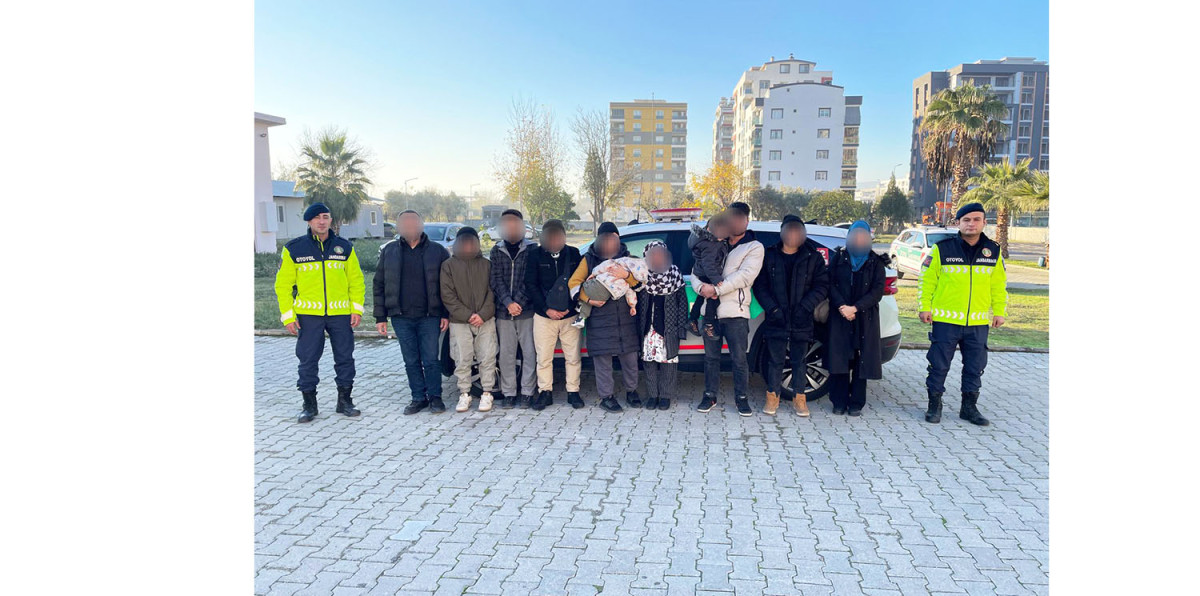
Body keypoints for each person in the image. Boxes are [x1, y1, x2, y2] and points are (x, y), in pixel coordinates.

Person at [274, 203, 365, 423]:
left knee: (345, 357)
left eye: (325, 217)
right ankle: (309, 405)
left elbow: (356, 280)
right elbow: (282, 285)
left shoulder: (345, 247)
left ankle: (345, 401)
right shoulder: (294, 249)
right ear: (309, 222)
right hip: (308, 316)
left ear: (330, 220)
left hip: (340, 314)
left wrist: (356, 309)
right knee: (307, 360)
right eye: (317, 218)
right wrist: (288, 316)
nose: (322, 221)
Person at [919, 202, 1008, 426]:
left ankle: (968, 408)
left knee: (975, 367)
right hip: (945, 320)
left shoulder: (993, 251)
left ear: (984, 223)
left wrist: (999, 311)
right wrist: (924, 306)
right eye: (966, 220)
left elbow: (999, 285)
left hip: (977, 322)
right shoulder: (942, 248)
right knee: (938, 366)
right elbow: (927, 280)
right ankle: (934, 405)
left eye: (976, 219)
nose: (971, 224)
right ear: (958, 223)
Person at [374, 210, 450, 415]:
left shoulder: (438, 251)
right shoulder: (389, 251)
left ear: (421, 225)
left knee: (431, 359)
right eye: (404, 223)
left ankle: (435, 398)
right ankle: (418, 398)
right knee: (411, 360)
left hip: (430, 316)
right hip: (401, 317)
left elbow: (447, 285)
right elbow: (379, 284)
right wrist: (380, 316)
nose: (409, 226)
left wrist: (445, 313)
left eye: (413, 222)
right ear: (398, 227)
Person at [753, 214, 829, 416]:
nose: (794, 235)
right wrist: (772, 309)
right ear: (783, 232)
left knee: (799, 360)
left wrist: (806, 306)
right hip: (776, 317)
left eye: (798, 231)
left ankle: (800, 399)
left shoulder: (813, 257)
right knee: (775, 360)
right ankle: (772, 397)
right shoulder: (770, 255)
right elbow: (760, 286)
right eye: (790, 230)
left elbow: (822, 286)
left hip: (802, 317)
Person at [692, 201, 764, 416]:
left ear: (746, 221)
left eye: (739, 218)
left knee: (739, 359)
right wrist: (701, 288)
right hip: (710, 313)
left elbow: (745, 276)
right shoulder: (713, 241)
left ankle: (742, 399)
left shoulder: (753, 247)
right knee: (711, 358)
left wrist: (716, 289)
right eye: (731, 217)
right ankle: (709, 396)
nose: (734, 222)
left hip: (735, 314)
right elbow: (696, 270)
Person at [568, 222, 643, 412]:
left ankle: (632, 392)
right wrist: (588, 299)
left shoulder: (628, 258)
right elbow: (574, 283)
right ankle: (606, 397)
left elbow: (640, 285)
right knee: (603, 361)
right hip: (600, 319)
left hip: (626, 319)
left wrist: (626, 275)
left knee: (630, 359)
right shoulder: (589, 260)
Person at [826, 220, 886, 416]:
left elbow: (877, 291)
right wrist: (842, 307)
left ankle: (856, 403)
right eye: (855, 235)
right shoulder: (839, 257)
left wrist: (856, 308)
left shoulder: (876, 262)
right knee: (839, 360)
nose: (859, 239)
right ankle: (838, 402)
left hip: (864, 318)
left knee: (862, 362)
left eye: (863, 236)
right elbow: (829, 284)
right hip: (840, 316)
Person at [524, 220, 584, 410]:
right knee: (544, 357)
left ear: (564, 236)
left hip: (570, 315)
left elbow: (579, 282)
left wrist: (570, 306)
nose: (554, 239)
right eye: (550, 236)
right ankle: (545, 392)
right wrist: (546, 309)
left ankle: (573, 392)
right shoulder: (534, 255)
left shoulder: (573, 254)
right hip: (543, 316)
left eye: (558, 236)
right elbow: (530, 285)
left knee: (573, 356)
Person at [440, 227, 498, 413]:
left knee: (487, 357)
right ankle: (464, 394)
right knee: (462, 358)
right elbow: (447, 295)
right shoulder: (448, 266)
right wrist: (467, 315)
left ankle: (487, 393)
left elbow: (493, 291)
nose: (468, 245)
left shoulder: (486, 264)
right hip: (459, 321)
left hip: (485, 319)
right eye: (464, 242)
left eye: (471, 242)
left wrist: (482, 314)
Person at [489, 209, 538, 409]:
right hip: (503, 311)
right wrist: (508, 302)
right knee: (506, 355)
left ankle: (527, 392)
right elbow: (496, 279)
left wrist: (518, 302)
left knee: (529, 353)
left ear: (521, 226)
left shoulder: (532, 249)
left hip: (527, 310)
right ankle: (509, 392)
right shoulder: (496, 250)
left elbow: (531, 280)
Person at [637, 241, 689, 411]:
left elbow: (683, 303)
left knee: (669, 363)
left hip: (669, 327)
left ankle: (665, 396)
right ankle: (653, 395)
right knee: (649, 363)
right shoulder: (642, 274)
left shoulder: (674, 273)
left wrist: (681, 327)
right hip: (647, 328)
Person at [570, 253, 648, 327]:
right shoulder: (630, 279)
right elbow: (631, 293)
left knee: (585, 288)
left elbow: (604, 266)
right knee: (591, 298)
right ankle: (582, 316)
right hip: (607, 295)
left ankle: (581, 310)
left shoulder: (618, 263)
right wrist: (632, 306)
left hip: (599, 284)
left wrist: (594, 273)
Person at [687, 213, 732, 337]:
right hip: (708, 274)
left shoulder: (699, 239)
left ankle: (692, 319)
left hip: (700, 273)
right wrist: (716, 280)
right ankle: (708, 324)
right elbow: (709, 265)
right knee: (713, 298)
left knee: (700, 298)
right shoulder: (711, 245)